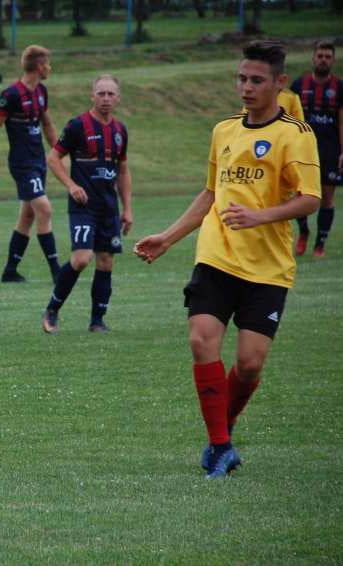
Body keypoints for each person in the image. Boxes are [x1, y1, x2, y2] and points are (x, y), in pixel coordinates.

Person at [133, 40, 320, 479]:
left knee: (251, 363)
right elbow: (211, 193)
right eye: (242, 78)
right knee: (201, 340)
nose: (246, 87)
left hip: (269, 267)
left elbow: (310, 199)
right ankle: (220, 447)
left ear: (279, 83)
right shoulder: (224, 131)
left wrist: (260, 215)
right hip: (216, 257)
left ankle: (224, 425)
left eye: (257, 80)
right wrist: (168, 238)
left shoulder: (296, 136)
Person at [41, 74, 133, 334]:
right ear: (91, 96)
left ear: (118, 98)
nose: (105, 98)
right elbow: (53, 158)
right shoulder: (77, 126)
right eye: (101, 93)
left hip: (109, 207)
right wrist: (72, 185)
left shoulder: (120, 131)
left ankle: (97, 321)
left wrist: (127, 208)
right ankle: (52, 310)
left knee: (106, 261)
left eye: (110, 94)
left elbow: (123, 170)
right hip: (83, 206)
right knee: (82, 258)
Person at [0, 45, 61, 284]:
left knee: (27, 216)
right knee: (45, 210)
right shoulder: (11, 94)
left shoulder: (41, 92)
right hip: (22, 164)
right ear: (38, 66)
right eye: (47, 63)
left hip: (38, 162)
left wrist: (59, 152)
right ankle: (57, 272)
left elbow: (47, 125)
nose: (49, 67)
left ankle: (10, 271)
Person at [290, 40, 343, 257]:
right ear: (313, 58)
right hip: (302, 149)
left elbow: (342, 122)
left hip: (330, 150)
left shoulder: (339, 88)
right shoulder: (298, 85)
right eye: (320, 55)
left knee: (327, 197)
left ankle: (320, 244)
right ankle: (303, 232)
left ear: (333, 60)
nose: (323, 59)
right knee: (299, 193)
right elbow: (290, 119)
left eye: (327, 56)